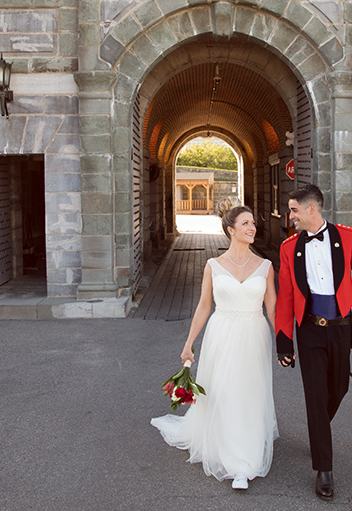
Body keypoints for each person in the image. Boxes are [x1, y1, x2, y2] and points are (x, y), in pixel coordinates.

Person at [151, 202, 279, 491]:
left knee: (249, 391)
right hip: (221, 333)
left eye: (253, 223)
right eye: (245, 223)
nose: (252, 228)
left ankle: (247, 445)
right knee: (225, 391)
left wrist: (285, 342)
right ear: (230, 230)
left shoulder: (266, 267)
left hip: (254, 333)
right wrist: (188, 343)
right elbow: (203, 307)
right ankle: (238, 464)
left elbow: (272, 309)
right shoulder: (213, 266)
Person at [275, 184, 352, 500]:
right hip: (310, 330)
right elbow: (287, 298)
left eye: (294, 210)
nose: (291, 217)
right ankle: (324, 469)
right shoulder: (289, 248)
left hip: (342, 327)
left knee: (339, 388)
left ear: (311, 209)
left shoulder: (347, 237)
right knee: (316, 396)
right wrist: (284, 342)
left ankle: (320, 430)